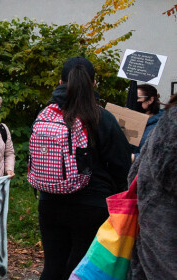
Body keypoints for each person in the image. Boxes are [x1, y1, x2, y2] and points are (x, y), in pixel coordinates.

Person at [36, 57, 131, 280]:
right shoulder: (102, 118)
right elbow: (121, 165)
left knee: (52, 266)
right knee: (80, 269)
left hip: (49, 201)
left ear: (59, 81)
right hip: (91, 204)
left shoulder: (45, 115)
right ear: (94, 84)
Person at [127, 93, 177, 280]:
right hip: (164, 253)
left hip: (153, 247)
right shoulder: (171, 124)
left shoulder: (164, 122)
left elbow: (133, 176)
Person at [132, 84, 164, 159]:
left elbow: (157, 155)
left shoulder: (161, 125)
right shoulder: (132, 121)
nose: (134, 102)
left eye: (137, 98)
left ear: (150, 100)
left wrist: (134, 157)